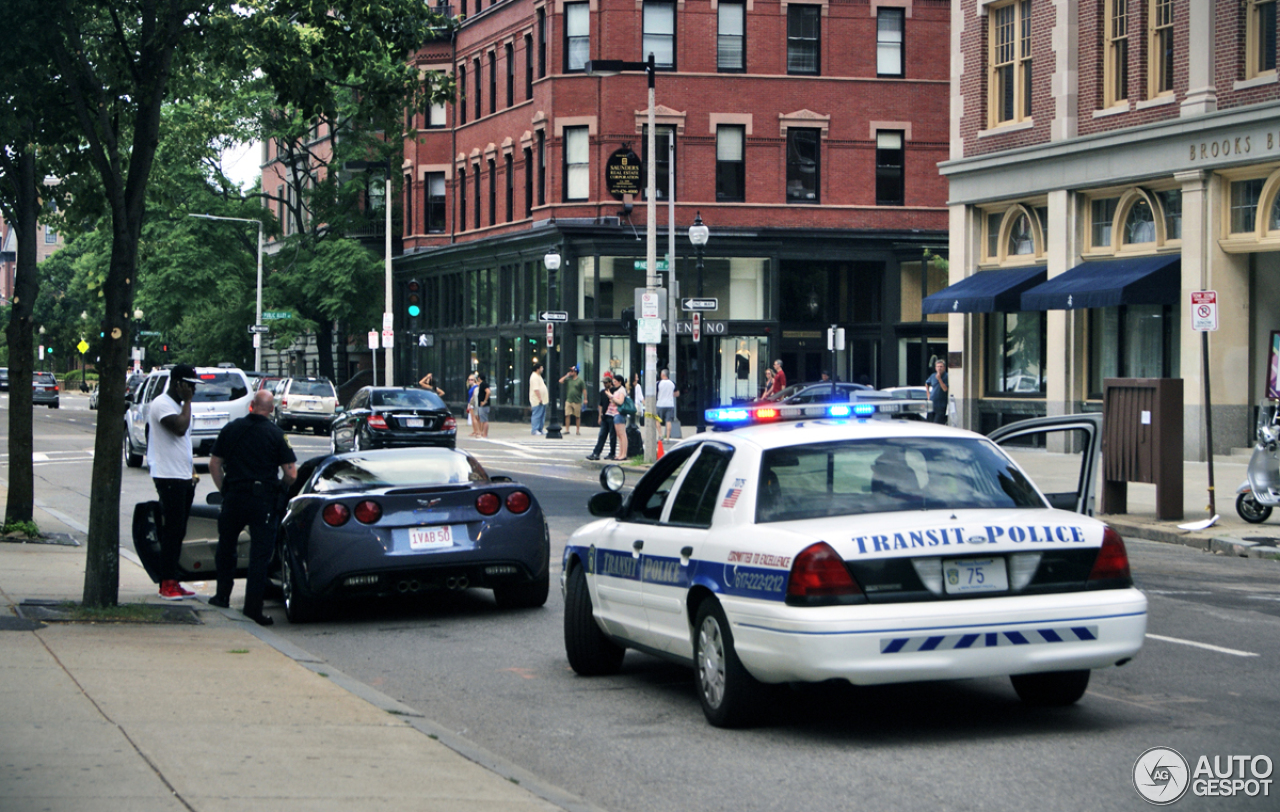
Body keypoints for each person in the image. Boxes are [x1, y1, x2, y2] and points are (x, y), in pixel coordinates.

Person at [207, 390, 298, 626]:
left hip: (234, 497)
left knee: (226, 547)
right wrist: (279, 489)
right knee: (260, 555)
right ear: (271, 409)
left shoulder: (231, 429)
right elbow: (291, 473)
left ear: (251, 405)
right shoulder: (276, 435)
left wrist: (225, 490)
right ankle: (252, 608)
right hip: (262, 500)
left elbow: (214, 464)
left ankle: (222, 595)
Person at [147, 364, 202, 601]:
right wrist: (188, 402)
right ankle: (166, 583)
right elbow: (179, 429)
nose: (193, 390)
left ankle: (173, 580)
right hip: (168, 476)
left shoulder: (178, 406)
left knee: (179, 530)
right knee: (171, 531)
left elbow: (184, 444)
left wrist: (191, 472)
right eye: (189, 385)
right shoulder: (161, 404)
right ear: (178, 383)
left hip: (182, 476)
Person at [586, 372, 617, 460]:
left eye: (606, 383)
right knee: (602, 435)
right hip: (605, 416)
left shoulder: (614, 391)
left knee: (612, 436)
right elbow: (600, 405)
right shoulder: (602, 392)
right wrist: (600, 416)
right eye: (604, 383)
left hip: (612, 415)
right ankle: (596, 453)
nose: (605, 384)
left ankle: (612, 453)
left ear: (610, 383)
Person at [559, 365, 586, 435]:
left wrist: (585, 399)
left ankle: (577, 430)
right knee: (567, 415)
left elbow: (584, 390)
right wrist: (566, 375)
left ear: (575, 372)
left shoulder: (580, 381)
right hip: (569, 400)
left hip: (577, 400)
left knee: (577, 416)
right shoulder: (568, 379)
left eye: (572, 371)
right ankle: (567, 429)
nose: (570, 372)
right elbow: (560, 381)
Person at [656, 369, 678, 441]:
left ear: (662, 375)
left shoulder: (658, 383)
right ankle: (668, 438)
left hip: (660, 404)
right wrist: (670, 395)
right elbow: (677, 393)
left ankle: (660, 435)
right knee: (668, 421)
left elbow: (655, 393)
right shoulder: (672, 383)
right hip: (670, 404)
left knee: (657, 420)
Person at [609, 376, 629, 460]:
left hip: (619, 413)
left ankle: (623, 454)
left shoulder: (622, 390)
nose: (614, 383)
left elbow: (620, 401)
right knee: (619, 435)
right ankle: (620, 453)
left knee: (622, 435)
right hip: (615, 413)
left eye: (615, 381)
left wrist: (612, 397)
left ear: (620, 382)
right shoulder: (618, 390)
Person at [926, 358, 949, 425]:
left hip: (941, 404)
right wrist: (928, 394)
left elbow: (945, 389)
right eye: (938, 366)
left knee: (937, 423)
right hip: (932, 402)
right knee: (929, 423)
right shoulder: (933, 376)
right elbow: (927, 383)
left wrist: (939, 379)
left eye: (941, 366)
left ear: (944, 368)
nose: (939, 368)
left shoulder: (947, 376)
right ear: (935, 368)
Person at [529, 363, 548, 435]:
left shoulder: (538, 376)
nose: (542, 369)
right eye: (541, 368)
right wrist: (539, 398)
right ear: (537, 369)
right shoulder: (534, 377)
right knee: (537, 415)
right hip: (537, 400)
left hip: (542, 400)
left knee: (542, 415)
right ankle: (535, 429)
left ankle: (540, 429)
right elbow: (536, 389)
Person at [473, 373, 491, 438]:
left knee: (484, 420)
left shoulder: (483, 384)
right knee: (483, 419)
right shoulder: (482, 384)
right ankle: (483, 433)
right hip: (483, 405)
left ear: (479, 378)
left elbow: (488, 392)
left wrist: (484, 401)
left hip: (483, 405)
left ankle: (485, 434)